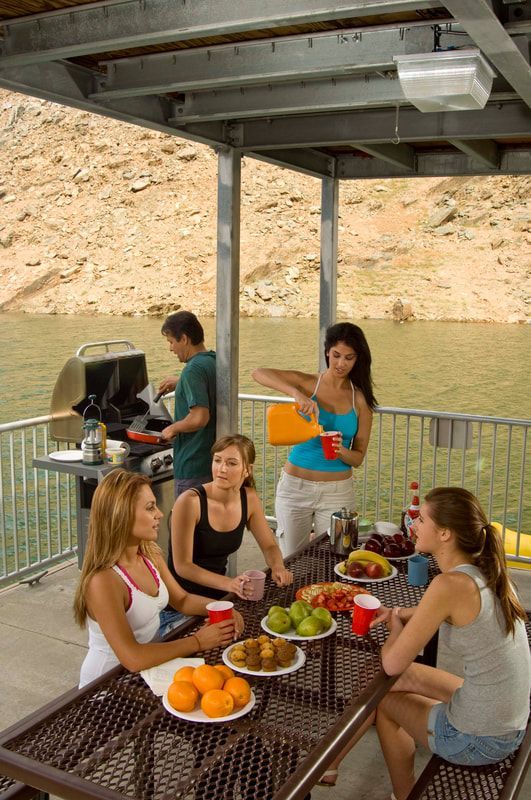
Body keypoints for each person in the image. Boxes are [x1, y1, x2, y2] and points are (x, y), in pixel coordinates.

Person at [320, 487, 531, 796]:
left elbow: (392, 664)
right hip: (508, 717)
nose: (413, 524)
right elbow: (438, 611)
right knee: (381, 679)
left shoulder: (448, 584)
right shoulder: (487, 571)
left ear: (445, 534)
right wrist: (396, 612)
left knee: (383, 698)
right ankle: (330, 764)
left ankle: (403, 794)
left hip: (480, 738)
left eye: (421, 519)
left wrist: (395, 628)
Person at [73, 469, 244, 688]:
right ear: (121, 514)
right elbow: (132, 658)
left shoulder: (149, 554)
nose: (160, 514)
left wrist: (222, 608)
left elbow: (182, 600)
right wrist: (198, 641)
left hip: (146, 675)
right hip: (106, 687)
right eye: (150, 507)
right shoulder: (103, 581)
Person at [252, 322, 376, 557]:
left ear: (357, 359)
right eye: (336, 355)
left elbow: (358, 458)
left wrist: (340, 450)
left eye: (349, 358)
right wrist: (296, 394)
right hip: (294, 488)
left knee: (334, 560)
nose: (341, 363)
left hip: (337, 493)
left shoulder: (360, 400)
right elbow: (258, 373)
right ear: (327, 352)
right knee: (291, 559)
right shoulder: (308, 383)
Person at [167, 433, 293, 601]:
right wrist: (229, 583)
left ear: (247, 470)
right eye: (217, 460)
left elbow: (269, 545)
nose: (222, 469)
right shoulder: (189, 502)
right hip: (182, 600)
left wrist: (278, 567)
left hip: (220, 595)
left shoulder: (249, 498)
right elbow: (183, 566)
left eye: (231, 463)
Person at [158, 310, 216, 498]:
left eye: (171, 342)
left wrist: (172, 429)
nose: (171, 348)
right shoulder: (213, 360)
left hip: (193, 464)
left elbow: (199, 417)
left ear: (184, 339)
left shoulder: (192, 370)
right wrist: (181, 382)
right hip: (210, 462)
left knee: (187, 517)